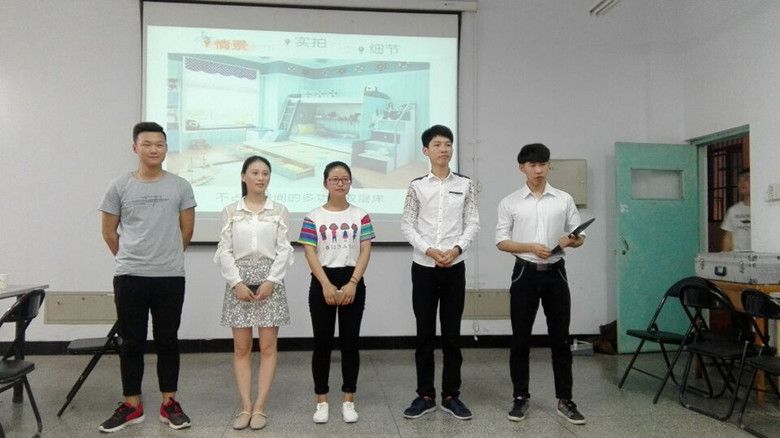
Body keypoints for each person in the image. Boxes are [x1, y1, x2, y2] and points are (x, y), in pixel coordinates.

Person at [97, 122, 196, 432]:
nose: (154, 149)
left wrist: (164, 257)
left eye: (160, 144)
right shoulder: (119, 186)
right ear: (135, 147)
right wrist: (132, 258)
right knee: (131, 342)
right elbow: (108, 232)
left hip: (170, 276)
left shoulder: (180, 186)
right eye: (147, 144)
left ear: (166, 149)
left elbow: (187, 231)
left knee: (168, 339)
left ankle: (169, 403)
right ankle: (132, 405)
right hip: (130, 276)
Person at [495, 143, 586, 425]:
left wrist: (572, 240)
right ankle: (520, 397)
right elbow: (501, 241)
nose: (538, 170)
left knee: (560, 339)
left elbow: (580, 237)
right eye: (532, 165)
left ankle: (565, 399)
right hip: (524, 273)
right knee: (520, 339)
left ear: (549, 166)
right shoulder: (510, 202)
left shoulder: (564, 199)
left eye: (543, 164)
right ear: (521, 167)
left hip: (556, 273)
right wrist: (530, 247)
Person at [400, 124, 480, 420]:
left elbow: (473, 222)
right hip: (424, 268)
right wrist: (429, 250)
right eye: (437, 144)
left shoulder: (465, 184)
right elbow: (407, 224)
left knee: (452, 335)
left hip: (454, 267)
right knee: (424, 334)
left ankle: (451, 395)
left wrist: (456, 249)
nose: (443, 149)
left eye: (448, 144)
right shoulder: (417, 186)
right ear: (426, 150)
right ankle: (425, 395)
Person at [213, 155, 293, 431]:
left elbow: (284, 250)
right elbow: (224, 250)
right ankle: (245, 406)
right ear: (243, 176)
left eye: (265, 173)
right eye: (255, 173)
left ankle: (260, 407)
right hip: (239, 282)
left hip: (271, 282)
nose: (261, 178)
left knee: (268, 347)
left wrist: (272, 280)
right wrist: (236, 282)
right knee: (242, 347)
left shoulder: (279, 210)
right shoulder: (230, 211)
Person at [298, 161, 375, 424]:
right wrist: (326, 285)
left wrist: (353, 282)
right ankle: (321, 401)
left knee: (350, 344)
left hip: (353, 280)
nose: (340, 183)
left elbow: (365, 250)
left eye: (345, 179)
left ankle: (348, 400)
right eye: (335, 179)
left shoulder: (360, 215)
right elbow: (309, 253)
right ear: (325, 183)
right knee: (322, 344)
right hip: (323, 281)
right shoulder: (313, 216)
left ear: (350, 183)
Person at [721, 168, 751, 251]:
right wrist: (724, 255)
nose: (742, 183)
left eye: (747, 179)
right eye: (740, 180)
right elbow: (728, 237)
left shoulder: (762, 210)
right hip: (737, 256)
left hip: (758, 256)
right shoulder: (733, 210)